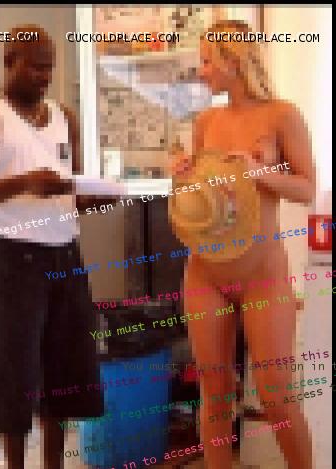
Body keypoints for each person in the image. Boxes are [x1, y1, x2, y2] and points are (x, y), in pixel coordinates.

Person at [0, 25, 108, 469]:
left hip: (65, 253)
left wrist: (94, 198)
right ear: (10, 61)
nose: (44, 76)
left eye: (49, 67)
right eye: (36, 66)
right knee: (14, 372)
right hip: (13, 256)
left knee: (64, 371)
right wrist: (25, 183)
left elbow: (72, 189)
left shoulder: (64, 117)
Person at [170, 20, 315, 469]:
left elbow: (307, 188)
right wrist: (184, 177)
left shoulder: (282, 115)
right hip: (205, 272)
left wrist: (260, 172)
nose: (201, 72)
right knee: (215, 394)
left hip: (262, 275)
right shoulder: (206, 122)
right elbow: (205, 199)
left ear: (234, 61)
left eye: (207, 61)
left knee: (276, 395)